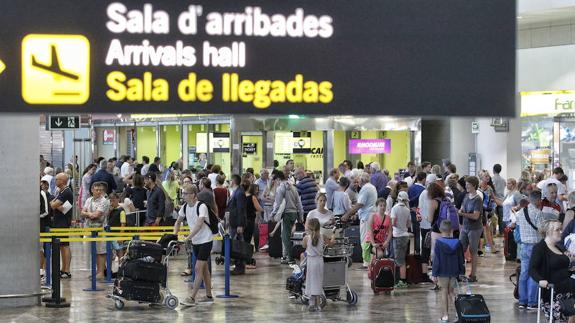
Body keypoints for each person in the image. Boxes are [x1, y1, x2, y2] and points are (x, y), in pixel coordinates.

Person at [174, 185, 214, 306]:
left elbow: (199, 224)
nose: (183, 195)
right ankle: (209, 296)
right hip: (196, 241)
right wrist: (174, 235)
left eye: (186, 193)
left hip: (206, 240)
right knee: (204, 269)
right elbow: (178, 221)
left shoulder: (201, 206)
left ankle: (191, 298)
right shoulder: (185, 207)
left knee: (197, 268)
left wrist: (187, 238)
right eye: (183, 193)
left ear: (193, 195)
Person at [530, 219, 575, 323]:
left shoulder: (560, 247)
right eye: (557, 229)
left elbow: (564, 267)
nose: (561, 232)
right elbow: (532, 269)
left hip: (567, 291)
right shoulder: (539, 248)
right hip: (552, 293)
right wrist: (540, 280)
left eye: (561, 229)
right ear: (548, 232)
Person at [342, 172, 378, 268]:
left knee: (365, 241)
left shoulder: (365, 189)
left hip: (366, 218)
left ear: (362, 181)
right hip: (371, 216)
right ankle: (371, 261)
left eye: (358, 181)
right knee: (370, 240)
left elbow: (360, 204)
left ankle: (366, 263)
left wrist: (348, 214)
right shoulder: (372, 187)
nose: (357, 183)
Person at [432, 220, 465, 323]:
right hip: (454, 271)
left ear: (441, 230)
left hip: (442, 272)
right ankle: (459, 313)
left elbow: (436, 260)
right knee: (451, 292)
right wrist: (461, 271)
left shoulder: (439, 243)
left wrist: (434, 274)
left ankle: (445, 316)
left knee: (444, 292)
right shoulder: (458, 243)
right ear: (451, 230)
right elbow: (461, 258)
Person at [515, 190, 543, 311]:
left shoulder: (520, 212)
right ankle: (532, 302)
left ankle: (522, 301)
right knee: (534, 273)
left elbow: (517, 228)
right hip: (535, 246)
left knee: (524, 273)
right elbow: (542, 230)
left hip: (523, 246)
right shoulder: (538, 213)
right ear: (538, 200)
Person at [270, 171, 304, 264]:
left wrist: (272, 214)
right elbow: (299, 203)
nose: (274, 183)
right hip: (294, 214)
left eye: (274, 180)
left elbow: (278, 203)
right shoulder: (293, 187)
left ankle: (290, 258)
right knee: (288, 236)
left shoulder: (281, 188)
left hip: (287, 214)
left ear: (278, 179)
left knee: (285, 238)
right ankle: (288, 257)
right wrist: (301, 215)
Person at [81, 182, 110, 279]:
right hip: (89, 229)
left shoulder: (104, 201)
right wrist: (90, 214)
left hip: (101, 229)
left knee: (100, 251)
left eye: (101, 190)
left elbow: (96, 215)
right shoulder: (89, 200)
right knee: (94, 251)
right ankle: (97, 271)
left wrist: (88, 214)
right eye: (97, 190)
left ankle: (101, 272)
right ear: (92, 190)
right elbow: (82, 212)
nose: (99, 192)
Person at [458, 176, 483, 282]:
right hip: (465, 227)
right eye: (466, 184)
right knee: (460, 250)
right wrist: (462, 211)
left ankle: (473, 274)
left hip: (475, 228)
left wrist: (463, 213)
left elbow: (476, 216)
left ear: (474, 186)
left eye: (468, 185)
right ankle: (460, 272)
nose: (466, 186)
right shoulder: (467, 196)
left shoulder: (478, 199)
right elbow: (462, 208)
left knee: (473, 251)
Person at [303, 218, 331, 312]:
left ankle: (311, 303)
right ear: (319, 227)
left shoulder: (306, 238)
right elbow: (331, 244)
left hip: (311, 262)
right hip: (319, 261)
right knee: (318, 282)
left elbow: (304, 246)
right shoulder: (323, 236)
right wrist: (333, 236)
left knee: (310, 281)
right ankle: (318, 305)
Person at [50, 173, 74, 278]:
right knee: (61, 246)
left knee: (65, 245)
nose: (55, 181)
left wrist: (55, 204)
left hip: (63, 222)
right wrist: (57, 205)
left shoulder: (67, 192)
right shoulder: (61, 191)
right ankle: (63, 268)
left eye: (57, 179)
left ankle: (66, 270)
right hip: (58, 221)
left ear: (62, 181)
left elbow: (54, 205)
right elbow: (58, 206)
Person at [391, 191, 412, 288]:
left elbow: (393, 222)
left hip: (397, 235)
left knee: (399, 260)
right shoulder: (407, 210)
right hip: (405, 236)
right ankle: (403, 279)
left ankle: (401, 281)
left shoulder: (394, 209)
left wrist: (397, 227)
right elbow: (408, 224)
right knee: (403, 258)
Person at [228, 174, 247, 274]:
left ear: (233, 181)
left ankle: (240, 266)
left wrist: (240, 224)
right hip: (233, 223)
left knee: (238, 246)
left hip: (237, 224)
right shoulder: (236, 192)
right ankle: (238, 265)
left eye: (230, 180)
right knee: (235, 245)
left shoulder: (239, 193)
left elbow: (241, 210)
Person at [245, 183, 264, 267]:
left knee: (244, 240)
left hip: (244, 220)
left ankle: (243, 259)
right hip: (250, 220)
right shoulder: (253, 197)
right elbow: (259, 208)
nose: (258, 191)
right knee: (248, 240)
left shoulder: (244, 195)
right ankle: (247, 260)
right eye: (256, 189)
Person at [107, 192, 127, 258]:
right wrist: (109, 211)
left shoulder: (121, 210)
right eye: (110, 200)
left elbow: (123, 224)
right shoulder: (110, 210)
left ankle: (121, 266)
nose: (112, 202)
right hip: (110, 234)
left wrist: (121, 236)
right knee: (108, 253)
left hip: (117, 235)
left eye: (114, 200)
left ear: (118, 199)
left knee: (119, 252)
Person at [492, 164, 506, 235]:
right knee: (501, 218)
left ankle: (493, 233)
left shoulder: (492, 179)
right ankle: (501, 232)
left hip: (494, 200)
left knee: (493, 218)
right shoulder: (503, 180)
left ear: (493, 170)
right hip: (501, 200)